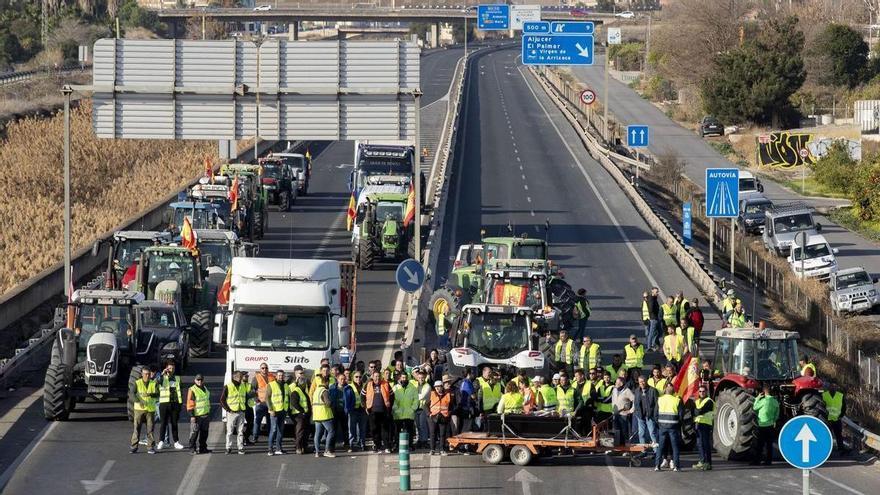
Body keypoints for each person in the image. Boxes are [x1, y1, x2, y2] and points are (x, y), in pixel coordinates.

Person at [156, 360, 184, 450]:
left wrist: (180, 404)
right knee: (163, 423)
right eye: (169, 368)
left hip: (175, 404)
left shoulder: (177, 378)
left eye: (173, 368)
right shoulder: (162, 377)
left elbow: (181, 391)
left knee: (174, 423)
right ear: (166, 368)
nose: (171, 370)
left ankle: (176, 442)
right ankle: (161, 441)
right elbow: (157, 383)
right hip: (164, 403)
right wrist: (162, 373)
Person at [130, 366, 158, 454]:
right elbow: (132, 393)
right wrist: (138, 401)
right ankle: (134, 446)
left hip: (150, 410)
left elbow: (158, 393)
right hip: (139, 409)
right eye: (145, 374)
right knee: (136, 428)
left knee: (150, 429)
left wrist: (150, 394)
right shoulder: (137, 383)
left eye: (149, 374)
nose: (147, 376)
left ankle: (150, 447)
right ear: (142, 374)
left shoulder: (154, 383)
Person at [220, 370, 248, 455]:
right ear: (235, 377)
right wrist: (228, 410)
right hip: (232, 412)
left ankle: (240, 448)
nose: (242, 378)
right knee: (230, 431)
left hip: (241, 411)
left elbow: (244, 397)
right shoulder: (228, 386)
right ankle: (228, 448)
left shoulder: (243, 386)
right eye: (240, 376)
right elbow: (222, 400)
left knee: (240, 431)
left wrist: (244, 408)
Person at [751, 383, 779, 465]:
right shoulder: (775, 402)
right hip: (770, 426)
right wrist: (773, 421)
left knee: (760, 445)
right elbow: (777, 415)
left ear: (764, 391)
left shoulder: (763, 401)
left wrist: (757, 398)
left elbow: (754, 407)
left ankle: (757, 461)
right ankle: (768, 461)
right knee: (769, 445)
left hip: (762, 425)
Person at [655, 384, 682, 472]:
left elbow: (655, 414)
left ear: (665, 391)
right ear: (673, 392)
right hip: (673, 427)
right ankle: (676, 466)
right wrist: (678, 425)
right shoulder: (677, 400)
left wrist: (658, 424)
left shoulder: (660, 399)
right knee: (675, 447)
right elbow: (681, 415)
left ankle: (657, 466)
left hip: (662, 427)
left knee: (661, 447)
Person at [365, 370, 392, 453]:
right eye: (375, 376)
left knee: (385, 429)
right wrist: (365, 407)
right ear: (372, 377)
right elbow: (362, 396)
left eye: (378, 376)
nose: (377, 378)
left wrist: (389, 408)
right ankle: (377, 446)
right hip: (372, 411)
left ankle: (387, 446)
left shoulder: (386, 384)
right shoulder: (368, 385)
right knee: (374, 429)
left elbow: (392, 396)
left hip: (383, 411)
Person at [392, 372, 418, 452]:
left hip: (409, 414)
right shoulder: (395, 388)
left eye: (406, 377)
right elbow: (392, 400)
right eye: (403, 378)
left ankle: (410, 445)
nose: (404, 379)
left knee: (410, 431)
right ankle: (397, 445)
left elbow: (416, 400)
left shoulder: (412, 387)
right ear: (399, 378)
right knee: (397, 431)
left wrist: (412, 409)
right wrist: (395, 409)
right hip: (398, 414)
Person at [312, 373, 336, 458]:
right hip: (324, 415)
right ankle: (327, 451)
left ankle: (317, 452)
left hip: (316, 415)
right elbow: (328, 403)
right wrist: (332, 403)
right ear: (326, 383)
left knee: (317, 434)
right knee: (331, 431)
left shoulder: (316, 391)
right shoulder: (324, 391)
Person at [187, 374, 211, 455]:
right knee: (194, 433)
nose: (199, 381)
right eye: (198, 380)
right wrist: (192, 416)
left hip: (205, 415)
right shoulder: (192, 389)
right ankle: (192, 449)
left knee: (204, 433)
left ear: (203, 380)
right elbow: (190, 404)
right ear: (195, 380)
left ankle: (203, 448)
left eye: (201, 380)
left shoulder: (205, 388)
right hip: (197, 416)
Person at [266, 369, 288, 456]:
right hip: (274, 411)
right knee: (273, 430)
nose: (280, 377)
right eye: (279, 375)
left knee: (280, 430)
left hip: (282, 411)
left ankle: (278, 448)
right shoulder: (271, 384)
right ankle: (270, 449)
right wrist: (271, 409)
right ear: (276, 376)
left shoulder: (286, 385)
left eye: (282, 375)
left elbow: (288, 397)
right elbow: (267, 398)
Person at [251, 363, 274, 444]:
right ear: (260, 369)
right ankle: (255, 437)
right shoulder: (256, 378)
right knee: (257, 421)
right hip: (261, 403)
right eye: (263, 368)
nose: (264, 369)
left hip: (270, 403)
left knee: (270, 422)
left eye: (266, 368)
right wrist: (257, 401)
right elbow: (252, 390)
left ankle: (270, 437)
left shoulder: (272, 377)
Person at [693, 385, 714, 470]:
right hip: (698, 425)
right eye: (700, 391)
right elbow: (694, 411)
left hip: (705, 425)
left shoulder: (709, 401)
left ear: (706, 392)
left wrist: (696, 411)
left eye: (703, 391)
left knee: (704, 444)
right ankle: (704, 462)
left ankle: (706, 462)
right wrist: (696, 411)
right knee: (700, 444)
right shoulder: (697, 401)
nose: (701, 393)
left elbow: (700, 411)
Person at [633, 375, 658, 448]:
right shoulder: (637, 390)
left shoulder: (653, 390)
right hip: (640, 416)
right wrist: (637, 413)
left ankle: (656, 452)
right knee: (641, 434)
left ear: (646, 381)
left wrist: (654, 414)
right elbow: (635, 403)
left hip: (650, 416)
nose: (642, 383)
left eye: (643, 381)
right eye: (640, 382)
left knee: (652, 434)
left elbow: (657, 404)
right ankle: (643, 451)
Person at [428, 380, 451, 455]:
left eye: (439, 387)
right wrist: (429, 414)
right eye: (436, 387)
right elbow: (425, 405)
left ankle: (442, 449)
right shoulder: (431, 394)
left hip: (443, 416)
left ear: (442, 387)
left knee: (442, 434)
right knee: (432, 434)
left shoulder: (447, 395)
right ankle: (432, 449)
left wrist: (449, 413)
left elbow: (451, 406)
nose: (438, 388)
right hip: (433, 416)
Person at [289, 373, 310, 454]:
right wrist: (302, 411)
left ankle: (304, 447)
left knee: (305, 432)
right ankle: (298, 448)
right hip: (298, 415)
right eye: (305, 383)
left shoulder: (303, 391)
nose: (306, 385)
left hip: (305, 415)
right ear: (303, 383)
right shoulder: (296, 391)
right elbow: (294, 403)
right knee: (300, 432)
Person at [822, 383, 845, 452]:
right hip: (833, 419)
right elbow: (844, 407)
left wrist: (841, 416)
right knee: (837, 435)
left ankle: (827, 450)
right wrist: (841, 415)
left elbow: (844, 407)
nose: (832, 388)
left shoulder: (824, 395)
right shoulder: (839, 396)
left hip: (830, 419)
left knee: (828, 436)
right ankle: (840, 449)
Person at [611, 376, 634, 445]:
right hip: (615, 414)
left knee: (624, 431)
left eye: (618, 382)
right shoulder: (614, 390)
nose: (616, 383)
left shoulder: (627, 391)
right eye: (616, 382)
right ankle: (618, 447)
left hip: (623, 414)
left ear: (622, 383)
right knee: (616, 431)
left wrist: (631, 410)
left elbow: (635, 400)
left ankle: (625, 448)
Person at [412, 368, 431, 449]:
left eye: (422, 378)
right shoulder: (415, 385)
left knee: (423, 425)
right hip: (416, 408)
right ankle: (420, 440)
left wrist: (414, 396)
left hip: (423, 408)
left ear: (425, 377)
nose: (420, 379)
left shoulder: (428, 386)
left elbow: (422, 396)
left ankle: (424, 441)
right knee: (418, 426)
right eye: (419, 378)